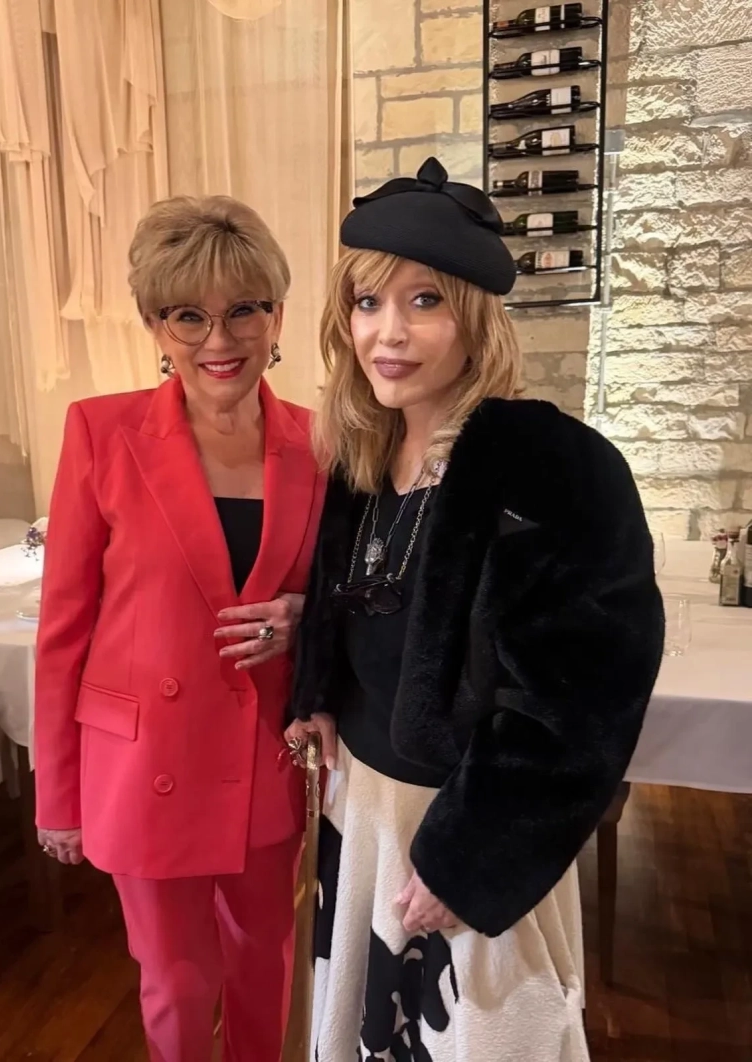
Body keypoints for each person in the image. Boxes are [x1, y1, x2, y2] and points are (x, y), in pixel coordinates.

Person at [285, 158, 664, 1061]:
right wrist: (319, 692)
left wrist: (469, 862)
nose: (389, 333)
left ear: (476, 319)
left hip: (471, 827)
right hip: (365, 809)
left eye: (425, 302)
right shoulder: (360, 456)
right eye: (368, 303)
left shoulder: (554, 466)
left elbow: (583, 703)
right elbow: (352, 605)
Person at [34, 194, 325, 1062]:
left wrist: (306, 617)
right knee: (177, 981)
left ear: (277, 316)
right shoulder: (102, 431)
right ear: (156, 326)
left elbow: (352, 596)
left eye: (243, 311)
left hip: (262, 756)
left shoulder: (321, 444)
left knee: (265, 964)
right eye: (187, 316)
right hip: (143, 763)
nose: (217, 340)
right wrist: (59, 796)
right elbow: (64, 626)